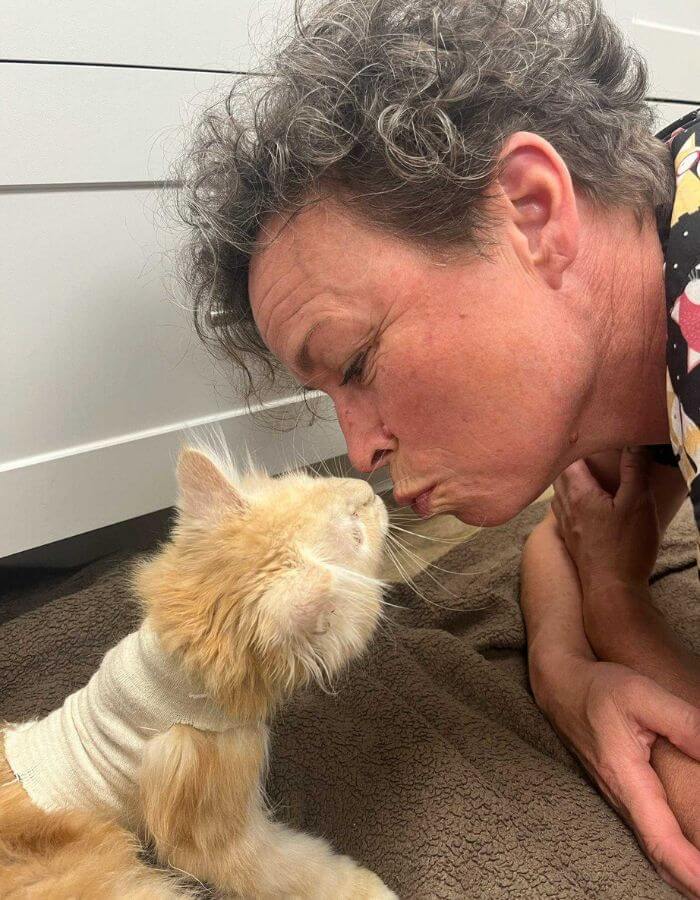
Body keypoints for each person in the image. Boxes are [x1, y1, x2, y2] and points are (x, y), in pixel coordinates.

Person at [177, 0, 700, 893]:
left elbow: (591, 556)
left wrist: (616, 608)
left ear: (532, 212)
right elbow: (563, 534)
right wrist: (565, 668)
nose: (360, 451)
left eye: (359, 360)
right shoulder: (656, 230)